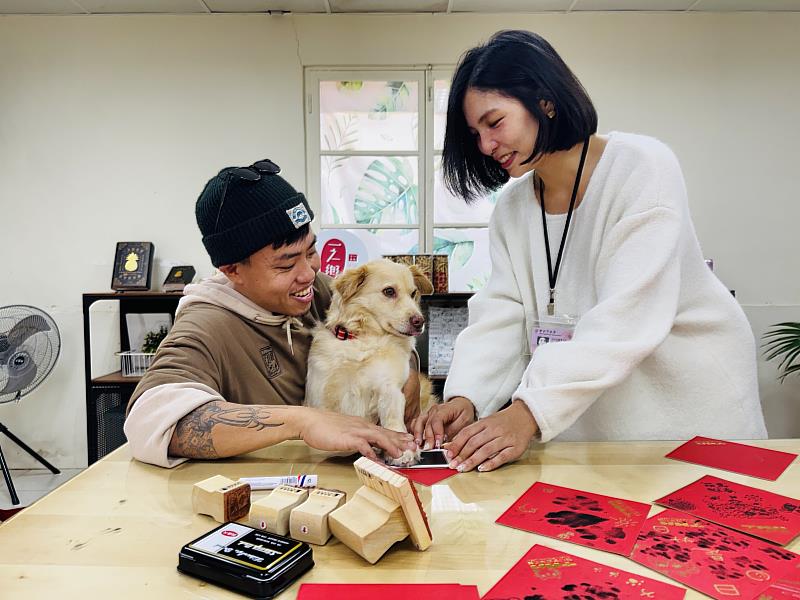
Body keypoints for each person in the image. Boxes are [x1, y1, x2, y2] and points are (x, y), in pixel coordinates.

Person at [411, 30, 767, 473]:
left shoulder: (641, 168)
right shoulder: (513, 208)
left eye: (494, 122)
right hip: (603, 422)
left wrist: (526, 413)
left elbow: (624, 320)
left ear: (545, 102)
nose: (485, 145)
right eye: (474, 132)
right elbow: (502, 314)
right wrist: (466, 395)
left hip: (690, 410)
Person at [124, 159, 419, 468]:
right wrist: (302, 422)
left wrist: (405, 373)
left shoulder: (319, 294)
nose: (308, 273)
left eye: (310, 251)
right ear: (233, 270)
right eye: (286, 264)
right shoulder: (206, 327)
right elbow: (151, 420)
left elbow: (388, 327)